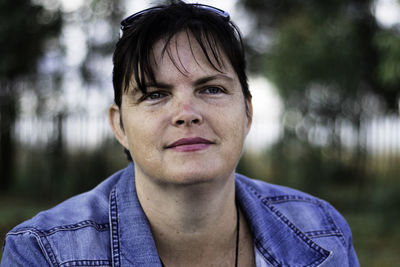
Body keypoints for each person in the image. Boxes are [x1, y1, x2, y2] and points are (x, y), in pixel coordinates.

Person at [1, 1, 359, 266]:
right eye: (155, 94)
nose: (186, 114)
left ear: (247, 112)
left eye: (211, 89)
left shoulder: (322, 229)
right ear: (119, 125)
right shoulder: (41, 253)